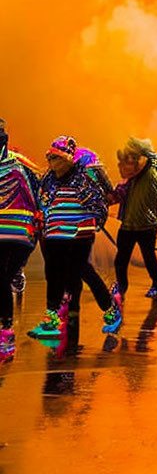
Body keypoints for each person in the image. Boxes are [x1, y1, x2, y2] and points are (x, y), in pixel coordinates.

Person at [30, 137, 111, 340]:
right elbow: (43, 201)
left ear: (66, 160)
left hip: (78, 235)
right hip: (56, 235)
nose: (51, 163)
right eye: (50, 158)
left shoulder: (81, 180)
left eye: (56, 158)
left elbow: (98, 205)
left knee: (82, 270)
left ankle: (109, 308)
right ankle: (52, 320)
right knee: (54, 274)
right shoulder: (49, 179)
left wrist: (96, 220)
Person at [0, 118, 41, 360]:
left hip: (14, 232)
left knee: (1, 278)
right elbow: (33, 193)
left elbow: (32, 194)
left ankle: (6, 334)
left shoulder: (17, 166)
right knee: (2, 279)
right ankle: (6, 333)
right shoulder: (18, 165)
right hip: (18, 233)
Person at [109, 137, 157, 299]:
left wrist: (138, 148)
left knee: (149, 257)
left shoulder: (154, 169)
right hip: (128, 225)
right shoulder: (129, 180)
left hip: (147, 225)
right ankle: (122, 287)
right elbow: (116, 196)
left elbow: (156, 157)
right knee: (121, 260)